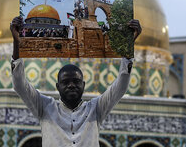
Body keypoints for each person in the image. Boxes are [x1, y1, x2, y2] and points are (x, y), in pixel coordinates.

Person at [10, 16, 142, 147]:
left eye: (76, 81)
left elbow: (120, 87)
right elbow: (20, 85)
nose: (71, 85)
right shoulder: (45, 107)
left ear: (83, 85)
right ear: (57, 86)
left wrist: (128, 46)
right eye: (66, 82)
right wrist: (17, 41)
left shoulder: (95, 109)